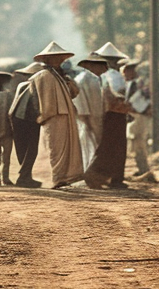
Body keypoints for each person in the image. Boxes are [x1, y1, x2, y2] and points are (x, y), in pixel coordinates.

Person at [29, 42, 85, 189]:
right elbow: (42, 99)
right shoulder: (42, 76)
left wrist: (67, 81)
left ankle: (68, 176)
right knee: (57, 148)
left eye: (60, 58)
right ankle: (58, 177)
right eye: (55, 58)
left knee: (68, 148)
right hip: (53, 115)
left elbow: (73, 93)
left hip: (66, 114)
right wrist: (44, 115)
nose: (58, 61)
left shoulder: (60, 76)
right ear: (47, 60)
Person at [9, 62, 43, 187]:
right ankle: (24, 176)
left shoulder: (21, 85)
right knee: (32, 149)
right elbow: (36, 104)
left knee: (21, 148)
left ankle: (26, 176)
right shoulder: (38, 86)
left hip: (15, 117)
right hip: (30, 119)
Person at [73, 52, 107, 171]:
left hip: (98, 117)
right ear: (91, 65)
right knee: (89, 144)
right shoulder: (83, 79)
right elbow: (80, 102)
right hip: (89, 117)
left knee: (97, 145)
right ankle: (89, 173)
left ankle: (97, 172)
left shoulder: (97, 79)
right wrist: (85, 119)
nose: (104, 68)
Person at [122, 59, 154, 179]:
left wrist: (144, 109)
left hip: (140, 114)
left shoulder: (140, 83)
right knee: (135, 142)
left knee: (139, 142)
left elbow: (147, 99)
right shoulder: (131, 84)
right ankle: (141, 168)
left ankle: (144, 168)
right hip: (134, 114)